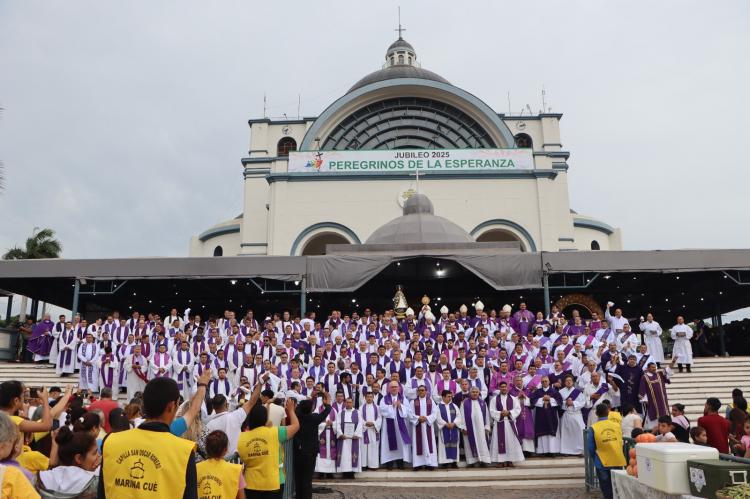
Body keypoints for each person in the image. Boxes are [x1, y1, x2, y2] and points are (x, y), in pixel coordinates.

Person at [99, 377, 197, 498]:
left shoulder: (111, 442)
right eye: (178, 404)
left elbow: (102, 494)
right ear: (172, 406)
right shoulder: (184, 451)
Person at [237, 398, 299, 499]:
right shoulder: (275, 432)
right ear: (266, 418)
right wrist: (291, 411)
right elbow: (296, 426)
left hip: (251, 483)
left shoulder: (241, 437)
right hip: (273, 482)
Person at [37, 426, 99, 498]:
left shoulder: (40, 479)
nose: (98, 456)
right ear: (79, 458)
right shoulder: (95, 483)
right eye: (94, 453)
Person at [293, 392, 331, 499]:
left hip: (298, 452)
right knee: (307, 479)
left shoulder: (298, 416)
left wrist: (312, 399)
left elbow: (299, 409)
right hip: (310, 453)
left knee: (298, 478)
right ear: (311, 409)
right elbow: (326, 411)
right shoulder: (314, 418)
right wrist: (327, 402)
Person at [588, 403, 626, 499]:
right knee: (617, 485)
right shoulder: (617, 425)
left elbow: (591, 447)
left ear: (596, 413)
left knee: (606, 487)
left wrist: (594, 457)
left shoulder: (593, 427)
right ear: (608, 412)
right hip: (617, 458)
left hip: (601, 460)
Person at [196, 430, 243, 499]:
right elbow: (241, 496)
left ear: (207, 449)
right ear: (225, 450)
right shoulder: (236, 470)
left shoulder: (195, 469)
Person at [489, 381, 524, 467]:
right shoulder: (494, 399)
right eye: (502, 387)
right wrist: (501, 413)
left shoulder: (513, 398)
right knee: (498, 441)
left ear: (507, 388)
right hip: (499, 422)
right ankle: (500, 461)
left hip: (510, 423)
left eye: (505, 387)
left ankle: (510, 460)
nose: (504, 388)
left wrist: (509, 412)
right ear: (499, 388)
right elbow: (492, 410)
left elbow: (518, 409)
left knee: (510, 441)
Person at [379, 380, 412, 470]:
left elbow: (409, 411)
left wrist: (400, 406)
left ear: (399, 388)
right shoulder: (384, 399)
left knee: (401, 443)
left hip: (401, 425)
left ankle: (400, 463)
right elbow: (381, 410)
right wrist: (391, 406)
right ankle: (389, 463)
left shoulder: (403, 398)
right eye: (392, 387)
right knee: (388, 443)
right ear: (389, 388)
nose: (394, 388)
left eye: (395, 387)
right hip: (389, 426)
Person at [457, 386, 491, 467]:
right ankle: (472, 461)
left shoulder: (483, 402)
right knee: (469, 444)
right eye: (473, 392)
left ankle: (483, 460)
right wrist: (463, 427)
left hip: (481, 428)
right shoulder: (464, 403)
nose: (475, 393)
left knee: (482, 443)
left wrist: (487, 426)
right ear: (470, 393)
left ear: (479, 393)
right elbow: (461, 416)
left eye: (476, 392)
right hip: (469, 428)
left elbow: (486, 415)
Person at [639, 359, 676, 429]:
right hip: (652, 402)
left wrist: (673, 361)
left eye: (655, 367)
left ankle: (665, 429)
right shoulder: (644, 377)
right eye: (652, 367)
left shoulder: (659, 374)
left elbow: (668, 369)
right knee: (654, 416)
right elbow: (642, 390)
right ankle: (654, 430)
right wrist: (644, 399)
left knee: (664, 414)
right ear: (648, 368)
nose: (654, 368)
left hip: (662, 400)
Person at [409, 385, 437, 471]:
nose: (421, 392)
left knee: (429, 444)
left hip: (428, 425)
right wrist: (418, 418)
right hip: (417, 425)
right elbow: (410, 413)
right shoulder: (413, 402)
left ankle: (430, 464)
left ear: (426, 391)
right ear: (417, 392)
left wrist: (427, 418)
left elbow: (435, 413)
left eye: (423, 390)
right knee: (418, 445)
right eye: (419, 390)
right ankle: (418, 464)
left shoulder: (431, 401)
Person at [335, 396, 363, 477]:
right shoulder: (340, 413)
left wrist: (356, 434)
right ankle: (345, 472)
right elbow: (338, 424)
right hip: (343, 439)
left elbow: (360, 423)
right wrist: (340, 434)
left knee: (352, 455)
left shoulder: (357, 412)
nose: (348, 404)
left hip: (353, 438)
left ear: (353, 403)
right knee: (344, 455)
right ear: (345, 403)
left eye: (350, 402)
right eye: (347, 402)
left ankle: (352, 473)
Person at [558, 374, 585, 456]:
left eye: (570, 380)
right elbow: (558, 402)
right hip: (566, 415)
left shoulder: (578, 392)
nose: (568, 382)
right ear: (564, 382)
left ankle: (579, 450)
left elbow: (583, 402)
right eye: (567, 381)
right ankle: (566, 451)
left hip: (576, 414)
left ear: (573, 382)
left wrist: (573, 403)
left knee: (579, 431)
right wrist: (565, 402)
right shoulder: (561, 392)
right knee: (566, 433)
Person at [435, 390, 461, 468]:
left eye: (451, 396)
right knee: (444, 445)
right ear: (443, 397)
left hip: (453, 428)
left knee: (454, 444)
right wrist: (445, 424)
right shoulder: (438, 407)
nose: (450, 398)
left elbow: (459, 416)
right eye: (448, 396)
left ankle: (454, 462)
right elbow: (438, 418)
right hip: (444, 429)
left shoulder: (454, 406)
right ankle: (444, 462)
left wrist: (454, 423)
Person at [359, 391, 381, 470]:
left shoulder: (377, 407)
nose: (369, 398)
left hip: (373, 431)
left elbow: (379, 418)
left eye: (370, 397)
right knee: (364, 448)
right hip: (365, 430)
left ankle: (373, 465)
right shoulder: (361, 408)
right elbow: (359, 418)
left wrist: (374, 423)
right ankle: (364, 465)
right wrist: (365, 423)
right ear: (365, 398)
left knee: (373, 448)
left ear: (373, 397)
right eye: (367, 397)